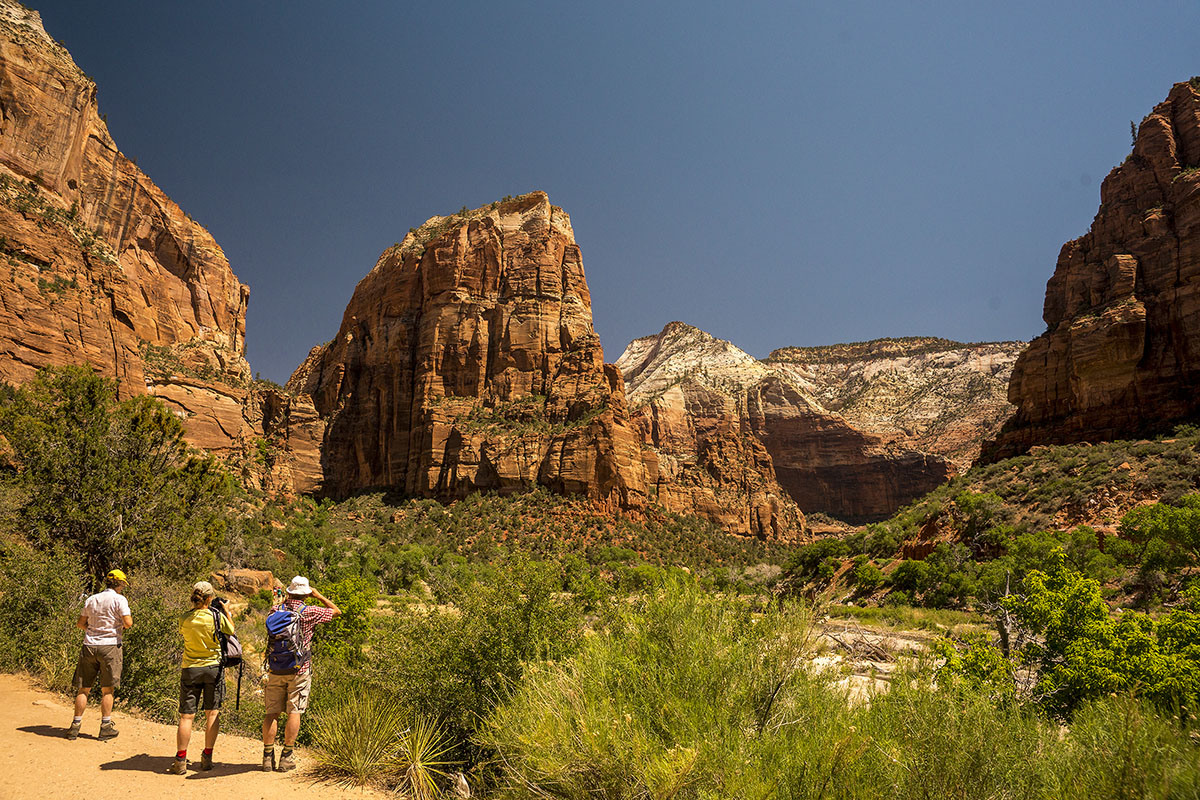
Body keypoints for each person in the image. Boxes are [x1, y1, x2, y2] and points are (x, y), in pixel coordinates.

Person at [262, 576, 340, 772]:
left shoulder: (276, 610)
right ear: (306, 593)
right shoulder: (310, 611)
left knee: (272, 713)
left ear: (288, 592)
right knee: (294, 711)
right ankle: (286, 756)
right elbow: (336, 611)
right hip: (299, 669)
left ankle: (267, 757)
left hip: (276, 668)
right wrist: (318, 595)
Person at [170, 581, 236, 774]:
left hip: (190, 668)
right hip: (213, 668)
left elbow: (183, 633)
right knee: (212, 713)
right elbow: (231, 631)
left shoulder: (184, 618)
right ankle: (207, 757)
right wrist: (226, 612)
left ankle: (180, 759)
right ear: (210, 598)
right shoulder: (216, 617)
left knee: (186, 716)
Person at [67, 569, 132, 741]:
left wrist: (94, 630)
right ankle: (105, 727)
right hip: (110, 645)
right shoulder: (120, 600)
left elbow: (80, 624)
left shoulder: (92, 599)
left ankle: (75, 726)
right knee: (107, 689)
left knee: (84, 688)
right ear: (120, 583)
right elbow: (128, 623)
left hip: (89, 645)